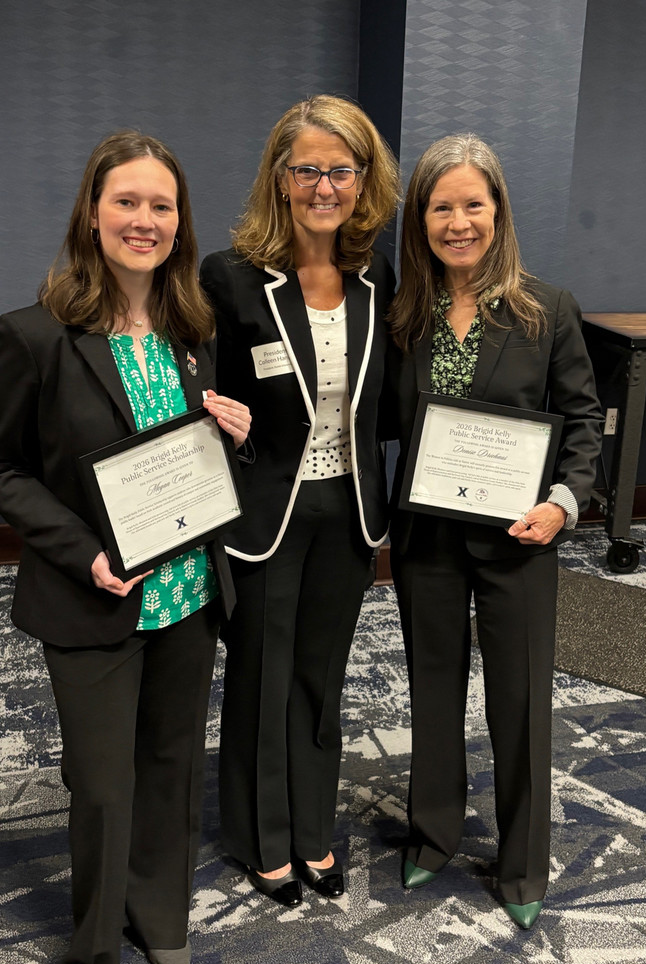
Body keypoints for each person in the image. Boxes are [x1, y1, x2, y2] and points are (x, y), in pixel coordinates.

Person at [0, 131, 251, 964]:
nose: (145, 220)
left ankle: (160, 915)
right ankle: (92, 949)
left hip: (187, 591)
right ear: (92, 215)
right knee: (99, 784)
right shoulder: (36, 335)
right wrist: (82, 552)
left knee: (171, 765)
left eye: (162, 205)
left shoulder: (191, 329)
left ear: (181, 223)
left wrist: (231, 438)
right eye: (126, 201)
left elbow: (190, 466)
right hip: (94, 594)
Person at [388, 134, 603, 929]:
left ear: (498, 210)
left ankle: (521, 862)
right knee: (432, 693)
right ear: (422, 218)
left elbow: (583, 419)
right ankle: (433, 832)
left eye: (472, 204)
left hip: (521, 537)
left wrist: (564, 502)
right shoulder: (404, 311)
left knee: (519, 701)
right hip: (427, 541)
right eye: (441, 207)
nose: (458, 222)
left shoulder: (547, 310)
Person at [199, 95, 400, 907]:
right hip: (265, 512)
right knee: (260, 677)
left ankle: (313, 829)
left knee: (322, 676)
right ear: (280, 179)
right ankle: (263, 838)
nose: (326, 185)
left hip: (348, 513)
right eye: (308, 168)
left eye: (341, 169)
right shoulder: (232, 276)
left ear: (363, 179)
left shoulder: (376, 274)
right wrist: (215, 419)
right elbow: (197, 384)